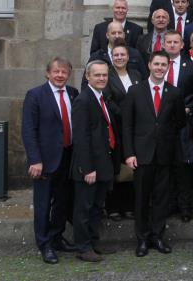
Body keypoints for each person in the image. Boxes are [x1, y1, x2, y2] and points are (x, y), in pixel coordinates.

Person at [122, 51, 186, 257]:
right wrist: (129, 153)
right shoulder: (135, 91)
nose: (159, 68)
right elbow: (127, 125)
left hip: (165, 155)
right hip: (141, 155)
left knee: (161, 199)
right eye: (156, 64)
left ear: (168, 67)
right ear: (149, 65)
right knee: (141, 198)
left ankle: (157, 236)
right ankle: (142, 239)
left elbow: (179, 123)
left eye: (163, 65)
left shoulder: (174, 93)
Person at [22, 57, 79, 264]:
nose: (60, 75)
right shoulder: (35, 95)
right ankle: (44, 244)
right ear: (48, 73)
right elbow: (28, 130)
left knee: (63, 201)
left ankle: (56, 237)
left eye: (64, 72)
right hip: (44, 161)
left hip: (68, 157)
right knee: (43, 204)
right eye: (56, 72)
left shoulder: (73, 94)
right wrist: (34, 160)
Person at [70, 60, 120, 262]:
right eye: (97, 75)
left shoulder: (102, 98)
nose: (101, 78)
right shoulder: (83, 100)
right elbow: (81, 138)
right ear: (87, 77)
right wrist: (87, 169)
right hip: (89, 168)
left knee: (97, 207)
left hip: (103, 164)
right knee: (84, 208)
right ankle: (83, 247)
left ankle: (92, 242)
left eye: (104, 75)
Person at [162, 31, 193, 222]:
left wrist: (188, 108)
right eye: (169, 42)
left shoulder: (191, 67)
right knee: (165, 166)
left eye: (176, 42)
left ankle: (185, 207)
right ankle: (168, 205)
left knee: (183, 166)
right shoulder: (156, 64)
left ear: (182, 45)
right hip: (161, 124)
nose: (172, 45)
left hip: (183, 122)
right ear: (163, 44)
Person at [102, 39, 141, 222]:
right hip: (116, 127)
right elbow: (108, 100)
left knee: (132, 166)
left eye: (122, 54)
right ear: (111, 57)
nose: (119, 57)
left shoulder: (136, 74)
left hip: (135, 129)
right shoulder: (107, 76)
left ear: (128, 56)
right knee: (117, 166)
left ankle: (129, 206)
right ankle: (114, 207)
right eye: (116, 55)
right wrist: (126, 115)